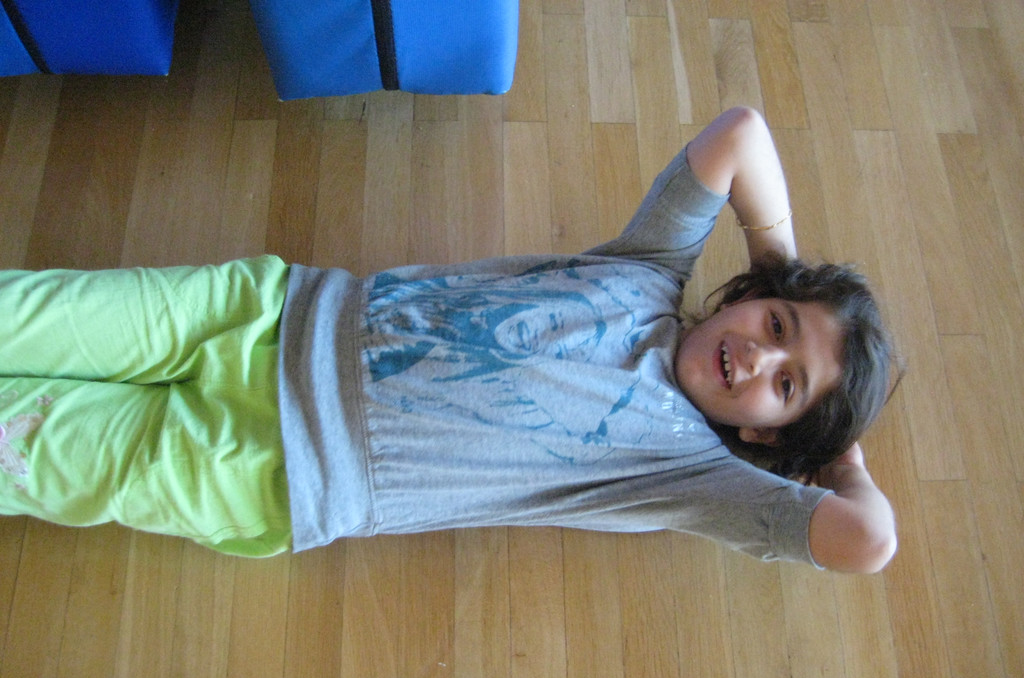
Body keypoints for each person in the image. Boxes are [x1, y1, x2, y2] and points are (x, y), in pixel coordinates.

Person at [0, 107, 897, 573]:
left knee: (27, 444)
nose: (759, 357)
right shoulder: (651, 269)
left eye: (786, 384)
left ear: (765, 432)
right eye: (774, 327)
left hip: (267, 467)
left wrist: (837, 457)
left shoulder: (688, 475)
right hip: (265, 312)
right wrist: (784, 272)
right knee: (30, 312)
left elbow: (865, 542)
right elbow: (740, 135)